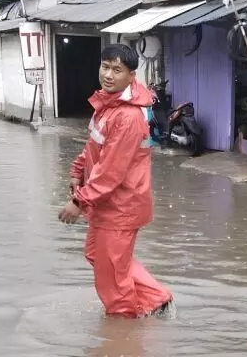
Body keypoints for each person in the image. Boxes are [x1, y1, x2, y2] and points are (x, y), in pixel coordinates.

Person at [58, 44, 175, 319]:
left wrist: (79, 202)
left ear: (131, 76)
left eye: (117, 70)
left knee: (112, 274)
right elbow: (92, 147)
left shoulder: (127, 116)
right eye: (105, 67)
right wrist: (77, 170)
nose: (108, 75)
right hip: (106, 204)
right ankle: (156, 298)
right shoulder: (107, 105)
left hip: (122, 205)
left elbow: (111, 171)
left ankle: (123, 328)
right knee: (97, 256)